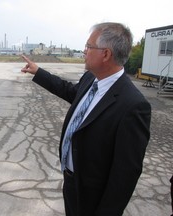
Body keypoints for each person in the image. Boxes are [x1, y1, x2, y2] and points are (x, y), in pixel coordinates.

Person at [21, 22, 151, 216]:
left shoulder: (133, 105)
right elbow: (70, 91)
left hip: (94, 196)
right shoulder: (91, 79)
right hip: (72, 182)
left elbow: (125, 174)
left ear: (106, 54)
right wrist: (39, 72)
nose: (84, 51)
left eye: (89, 47)